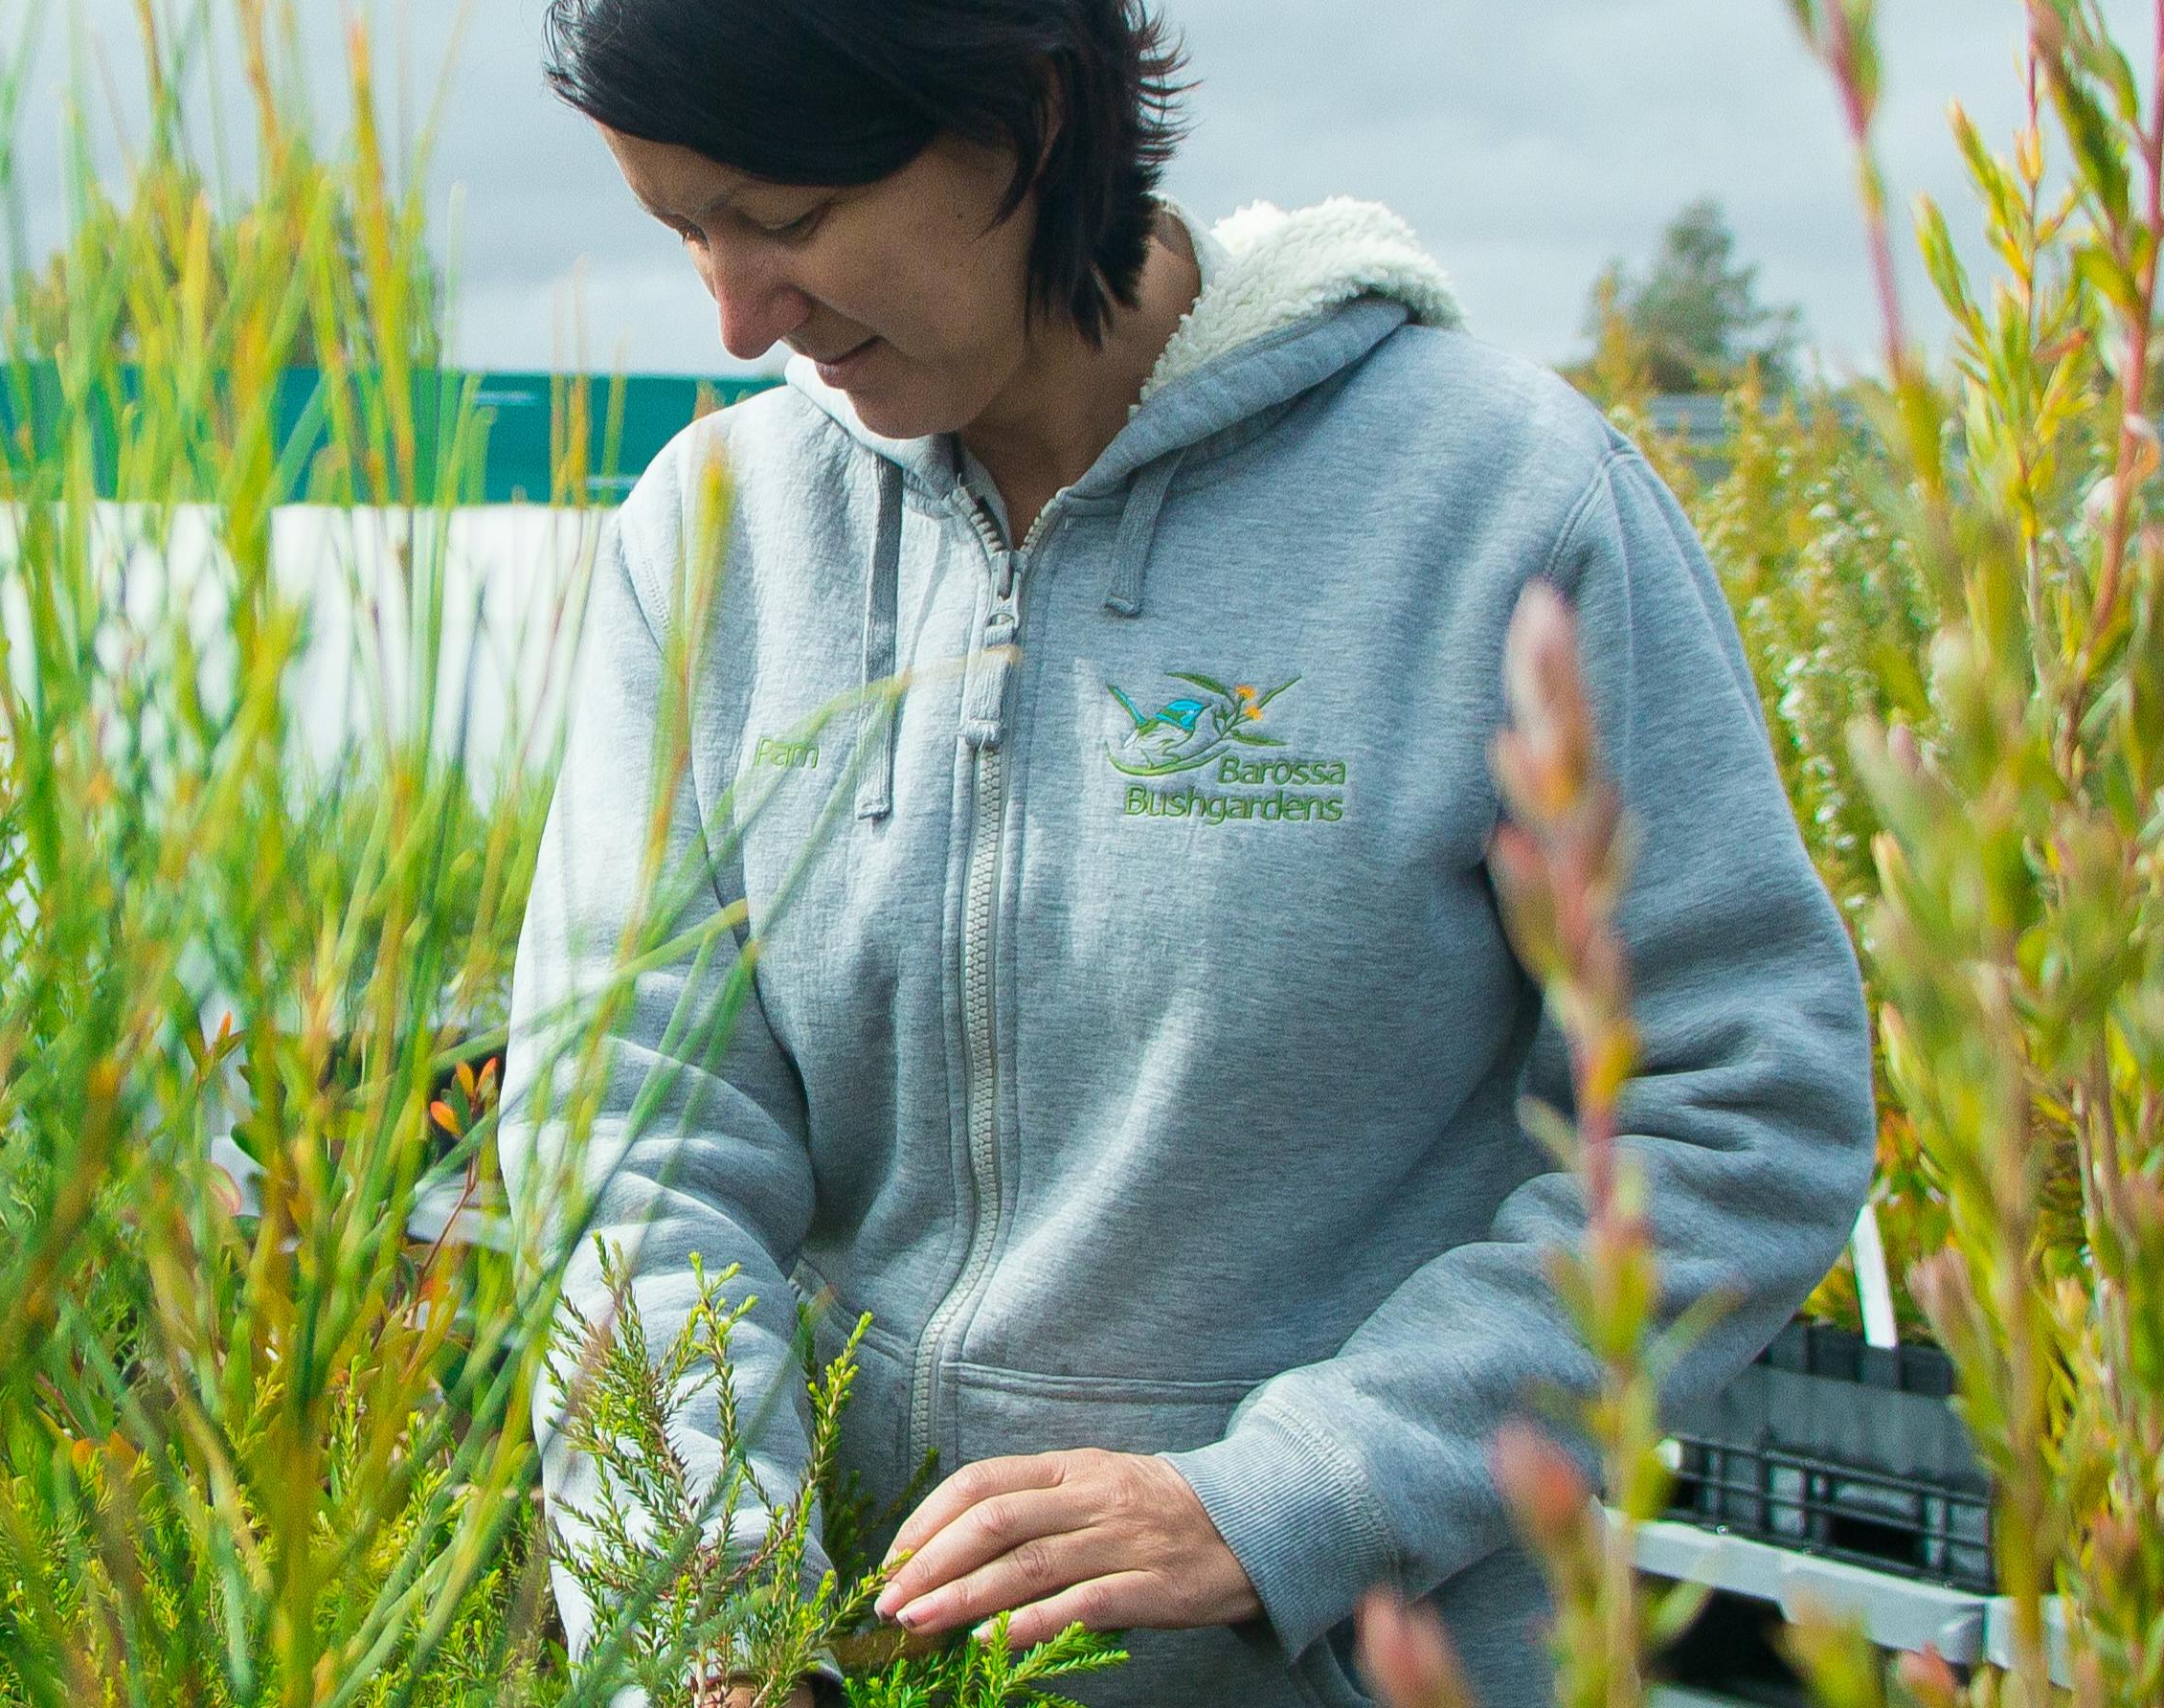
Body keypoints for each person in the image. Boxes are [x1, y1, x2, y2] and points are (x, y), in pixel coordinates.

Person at [488, 2, 1880, 1705]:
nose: (735, 319)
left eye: (780, 221)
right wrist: (705, 1628)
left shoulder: (1502, 512)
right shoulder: (719, 542)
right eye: (683, 232)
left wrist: (1293, 1501)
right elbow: (634, 1130)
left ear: (1032, 120)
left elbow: (1740, 1109)